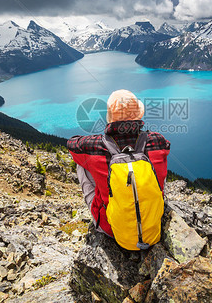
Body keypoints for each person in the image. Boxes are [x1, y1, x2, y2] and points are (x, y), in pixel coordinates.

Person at [67, 89, 171, 238]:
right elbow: (167, 146)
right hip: (153, 226)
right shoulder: (157, 140)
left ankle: (104, 206)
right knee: (158, 162)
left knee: (82, 163)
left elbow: (71, 144)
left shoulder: (96, 147)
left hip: (112, 230)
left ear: (110, 118)